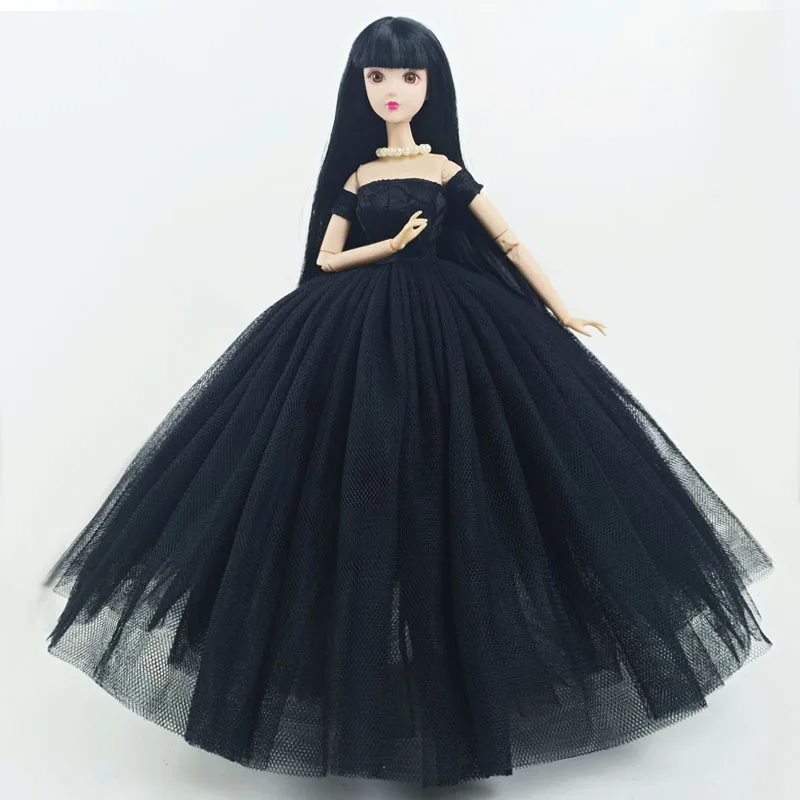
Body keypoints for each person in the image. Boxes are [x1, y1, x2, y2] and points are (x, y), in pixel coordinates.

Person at [43, 15, 774, 789]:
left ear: (432, 85)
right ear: (360, 86)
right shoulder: (358, 178)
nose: (393, 90)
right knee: (340, 486)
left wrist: (558, 309)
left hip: (451, 325)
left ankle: (470, 679)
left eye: (409, 75)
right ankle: (349, 681)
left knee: (465, 483)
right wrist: (387, 248)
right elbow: (328, 258)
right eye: (378, 76)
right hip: (353, 327)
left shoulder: (445, 169)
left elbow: (508, 242)